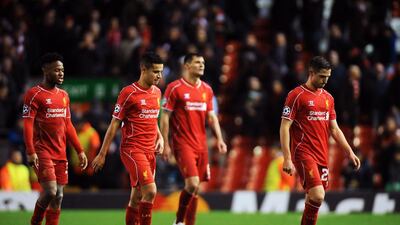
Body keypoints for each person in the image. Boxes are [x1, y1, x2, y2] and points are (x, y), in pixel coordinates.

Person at [280, 56, 361, 225]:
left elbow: (334, 129)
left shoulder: (328, 98)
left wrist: (350, 152)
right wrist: (287, 157)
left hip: (322, 154)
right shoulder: (296, 95)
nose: (325, 80)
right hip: (303, 152)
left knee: (314, 199)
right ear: (311, 73)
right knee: (318, 195)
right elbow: (285, 126)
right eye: (322, 76)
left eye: (328, 77)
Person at [92, 52, 164, 225]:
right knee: (151, 192)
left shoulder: (157, 92)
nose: (159, 76)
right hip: (132, 149)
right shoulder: (129, 93)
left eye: (161, 72)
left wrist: (160, 136)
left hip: (149, 151)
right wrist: (102, 154)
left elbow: (152, 118)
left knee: (137, 198)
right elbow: (114, 124)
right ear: (143, 69)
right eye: (155, 72)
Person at [160, 53, 227, 225]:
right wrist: (165, 142)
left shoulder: (207, 90)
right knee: (192, 183)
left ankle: (190, 223)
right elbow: (165, 116)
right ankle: (179, 220)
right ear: (187, 66)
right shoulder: (174, 88)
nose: (202, 65)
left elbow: (211, 117)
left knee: (196, 189)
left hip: (201, 145)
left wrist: (219, 139)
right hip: (183, 143)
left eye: (203, 62)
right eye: (197, 62)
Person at [22, 52, 88, 225]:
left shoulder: (64, 96)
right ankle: (35, 222)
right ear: (46, 70)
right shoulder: (34, 94)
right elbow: (27, 124)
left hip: (60, 152)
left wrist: (80, 150)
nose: (61, 73)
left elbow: (68, 125)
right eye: (57, 70)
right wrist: (30, 151)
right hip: (42, 150)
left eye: (62, 70)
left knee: (58, 196)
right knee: (50, 191)